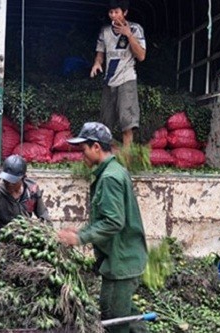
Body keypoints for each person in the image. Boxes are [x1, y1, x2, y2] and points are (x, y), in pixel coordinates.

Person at [57, 122, 148, 333]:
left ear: (96, 147)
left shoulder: (110, 178)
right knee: (126, 315)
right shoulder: (114, 171)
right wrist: (79, 232)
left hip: (121, 261)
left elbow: (114, 222)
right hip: (122, 258)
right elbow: (106, 217)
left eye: (84, 149)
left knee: (112, 318)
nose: (82, 155)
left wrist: (79, 239)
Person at [90, 0, 146, 148]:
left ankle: (127, 163)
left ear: (125, 12)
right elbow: (100, 53)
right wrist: (97, 63)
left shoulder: (135, 29)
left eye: (117, 12)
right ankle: (106, 158)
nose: (113, 15)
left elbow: (141, 56)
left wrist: (129, 35)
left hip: (127, 80)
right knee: (105, 124)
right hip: (109, 81)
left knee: (127, 124)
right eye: (111, 12)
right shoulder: (105, 31)